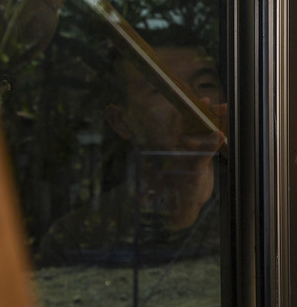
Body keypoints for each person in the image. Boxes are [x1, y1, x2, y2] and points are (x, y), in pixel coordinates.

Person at [37, 35, 227, 267]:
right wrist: (182, 212)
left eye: (206, 84)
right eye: (164, 90)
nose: (197, 104)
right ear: (120, 122)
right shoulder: (76, 236)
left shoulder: (267, 199)